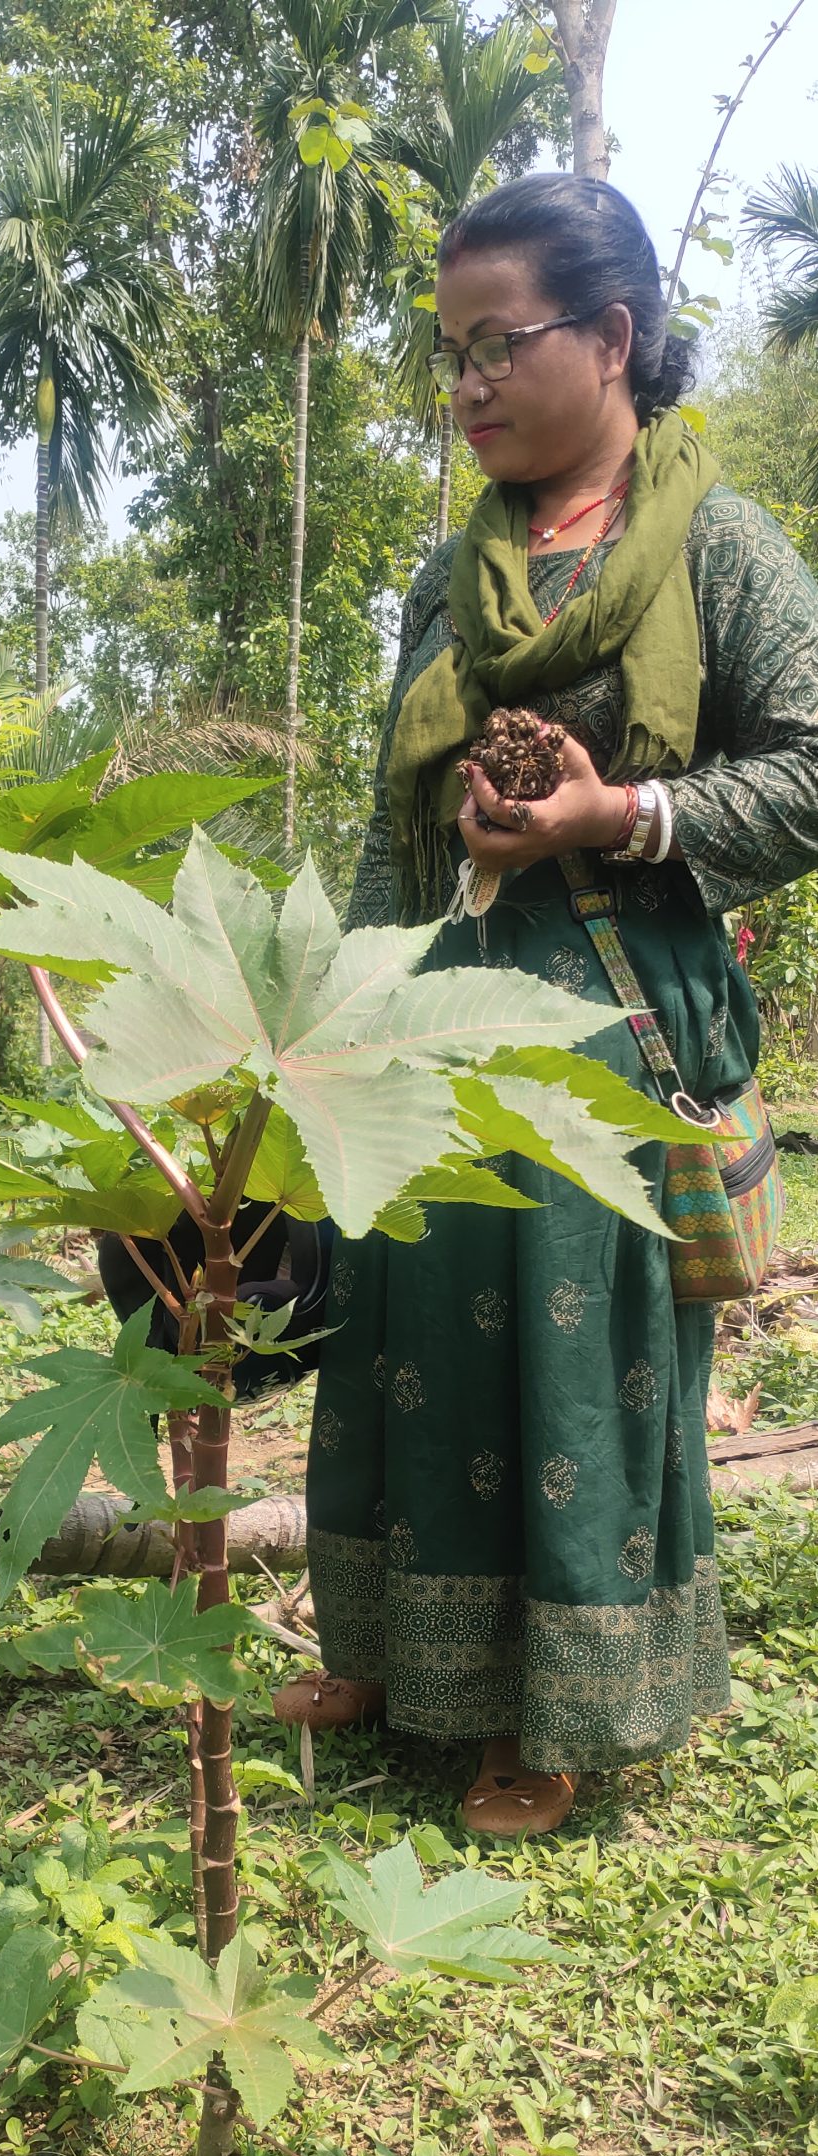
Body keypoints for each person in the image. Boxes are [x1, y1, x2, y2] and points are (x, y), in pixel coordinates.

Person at [271, 172, 818, 1837]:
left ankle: (554, 1712)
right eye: (448, 353)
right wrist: (339, 1022)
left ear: (611, 337)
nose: (468, 384)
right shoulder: (457, 576)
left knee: (574, 1369)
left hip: (607, 1032)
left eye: (497, 343)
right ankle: (381, 1643)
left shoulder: (717, 546)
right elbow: (393, 815)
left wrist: (615, 815)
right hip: (432, 1010)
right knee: (401, 1339)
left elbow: (807, 774)